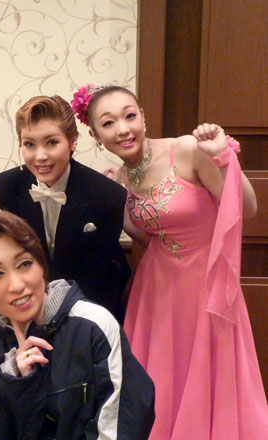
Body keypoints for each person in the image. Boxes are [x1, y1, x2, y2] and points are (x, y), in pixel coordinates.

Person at [71, 83, 268, 439]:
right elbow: (150, 237)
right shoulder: (122, 177)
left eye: (130, 116)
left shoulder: (188, 150)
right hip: (156, 290)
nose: (123, 129)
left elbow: (249, 207)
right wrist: (115, 200)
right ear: (96, 135)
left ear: (143, 117)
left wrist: (223, 158)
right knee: (157, 380)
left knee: (207, 375)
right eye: (109, 123)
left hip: (205, 283)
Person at [0, 210, 155, 439]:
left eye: (24, 264)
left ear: (41, 265)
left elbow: (123, 423)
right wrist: (12, 383)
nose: (16, 285)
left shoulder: (93, 325)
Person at [0, 95, 130, 324]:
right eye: (30, 144)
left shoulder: (107, 195)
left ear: (73, 141)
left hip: (90, 310)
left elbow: (104, 273)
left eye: (51, 142)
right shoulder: (6, 186)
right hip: (30, 306)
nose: (40, 156)